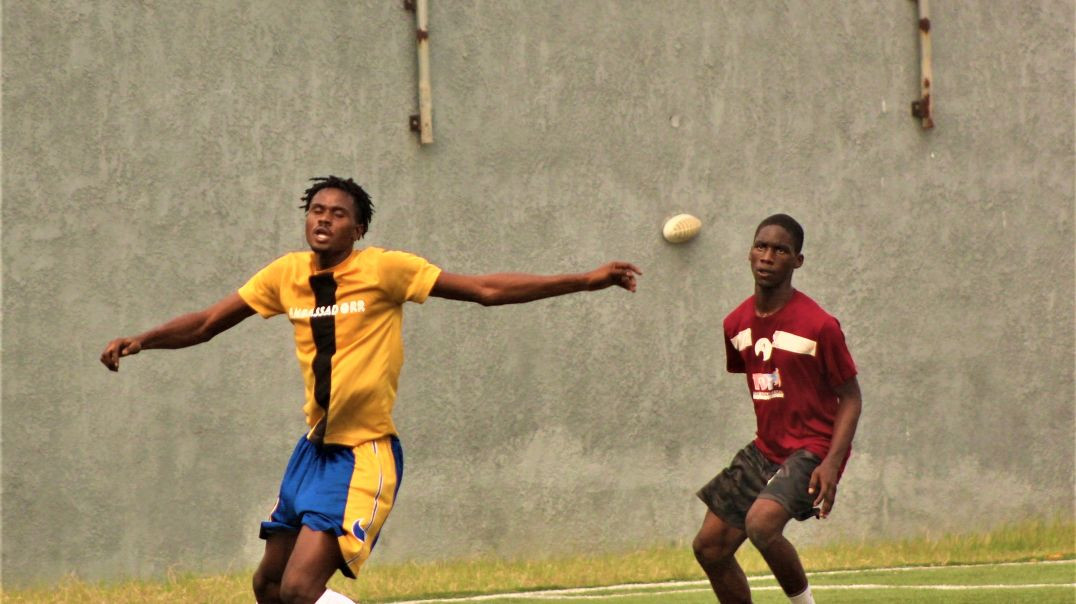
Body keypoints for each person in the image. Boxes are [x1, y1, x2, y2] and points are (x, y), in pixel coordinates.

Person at [100, 175, 642, 604]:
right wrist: (142, 340)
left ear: (358, 230)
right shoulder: (284, 275)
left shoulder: (384, 269)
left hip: (363, 455)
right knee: (267, 589)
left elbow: (484, 290)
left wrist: (582, 280)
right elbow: (205, 323)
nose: (324, 219)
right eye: (316, 210)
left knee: (298, 590)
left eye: (338, 214)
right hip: (311, 453)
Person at [692, 214, 862, 604]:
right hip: (766, 449)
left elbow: (851, 397)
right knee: (710, 548)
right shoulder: (735, 324)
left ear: (797, 261)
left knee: (761, 524)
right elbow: (763, 378)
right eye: (761, 246)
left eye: (780, 250)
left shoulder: (819, 326)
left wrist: (832, 463)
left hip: (813, 447)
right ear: (750, 253)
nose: (768, 256)